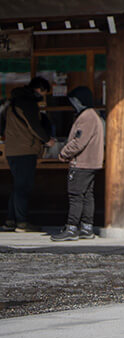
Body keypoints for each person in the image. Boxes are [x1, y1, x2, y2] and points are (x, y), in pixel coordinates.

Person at [51, 86, 105, 241]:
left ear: (80, 100)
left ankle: (71, 228)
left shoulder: (86, 117)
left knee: (75, 196)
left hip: (82, 163)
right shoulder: (94, 115)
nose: (73, 104)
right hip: (92, 163)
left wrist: (64, 153)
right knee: (87, 196)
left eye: (74, 100)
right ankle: (87, 228)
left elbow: (79, 142)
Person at [2, 77, 54, 232]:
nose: (43, 96)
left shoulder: (13, 102)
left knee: (18, 186)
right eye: (43, 92)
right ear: (39, 89)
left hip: (12, 150)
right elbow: (34, 126)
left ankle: (11, 220)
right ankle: (22, 223)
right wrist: (47, 140)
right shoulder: (27, 103)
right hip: (24, 150)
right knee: (23, 187)